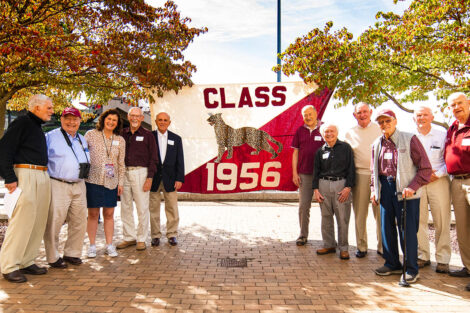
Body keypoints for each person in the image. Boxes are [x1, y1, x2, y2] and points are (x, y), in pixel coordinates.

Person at [371, 108, 431, 284]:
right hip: (385, 189)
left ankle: (411, 269)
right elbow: (374, 172)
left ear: (395, 121)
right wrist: (375, 190)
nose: (384, 125)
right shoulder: (376, 143)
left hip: (406, 192)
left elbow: (425, 168)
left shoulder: (410, 138)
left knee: (407, 232)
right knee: (386, 229)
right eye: (381, 122)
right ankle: (392, 263)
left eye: (387, 121)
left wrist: (412, 187)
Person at [0, 94, 54, 283]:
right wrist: (9, 176)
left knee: (38, 221)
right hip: (25, 174)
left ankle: (26, 261)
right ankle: (9, 266)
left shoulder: (37, 127)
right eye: (48, 107)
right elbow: (4, 149)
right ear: (36, 107)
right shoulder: (22, 122)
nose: (52, 111)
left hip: (41, 175)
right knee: (22, 221)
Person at [44, 107, 90, 268]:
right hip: (58, 184)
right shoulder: (50, 137)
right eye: (68, 118)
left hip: (79, 184)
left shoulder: (82, 139)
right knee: (54, 221)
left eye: (75, 119)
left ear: (80, 121)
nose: (71, 122)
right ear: (61, 119)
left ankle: (72, 253)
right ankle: (52, 256)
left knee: (79, 221)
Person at [413, 105, 451, 273]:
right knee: (419, 220)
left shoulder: (443, 136)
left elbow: (449, 159)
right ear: (414, 119)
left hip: (439, 181)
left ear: (432, 116)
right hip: (418, 183)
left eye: (425, 115)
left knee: (442, 220)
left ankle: (443, 259)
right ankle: (423, 256)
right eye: (418, 115)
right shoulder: (410, 137)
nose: (421, 118)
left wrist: (440, 174)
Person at [85, 109, 125, 258]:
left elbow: (121, 164)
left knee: (109, 214)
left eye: (114, 120)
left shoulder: (120, 140)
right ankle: (92, 246)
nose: (111, 122)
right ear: (103, 119)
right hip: (92, 180)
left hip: (111, 181)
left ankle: (109, 245)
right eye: (109, 119)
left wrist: (120, 182)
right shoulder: (90, 135)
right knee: (93, 214)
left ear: (117, 123)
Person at [345, 102, 383, 258]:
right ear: (355, 115)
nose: (362, 114)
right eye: (359, 112)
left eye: (365, 111)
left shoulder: (380, 129)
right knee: (360, 214)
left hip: (379, 175)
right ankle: (361, 247)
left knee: (380, 214)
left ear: (371, 112)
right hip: (360, 175)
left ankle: (383, 247)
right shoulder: (349, 133)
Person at [117, 107, 158, 251]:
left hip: (141, 173)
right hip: (124, 173)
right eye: (132, 116)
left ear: (142, 118)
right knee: (125, 207)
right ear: (128, 117)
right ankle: (129, 237)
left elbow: (154, 158)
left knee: (142, 207)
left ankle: (141, 239)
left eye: (138, 116)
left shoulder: (148, 135)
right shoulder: (122, 134)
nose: (135, 118)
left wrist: (150, 178)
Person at [313, 123, 355, 260]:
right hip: (323, 185)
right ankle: (329, 244)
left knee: (342, 218)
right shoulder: (320, 151)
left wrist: (348, 187)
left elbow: (351, 169)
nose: (329, 134)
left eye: (332, 131)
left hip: (340, 186)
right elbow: (316, 171)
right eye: (326, 132)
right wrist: (316, 190)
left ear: (337, 133)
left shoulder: (345, 148)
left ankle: (343, 248)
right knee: (326, 217)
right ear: (322, 134)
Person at [444, 92, 470, 291]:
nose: (456, 107)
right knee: (462, 228)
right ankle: (468, 266)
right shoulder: (452, 128)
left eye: (460, 103)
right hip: (456, 182)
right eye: (452, 105)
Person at [149, 112, 185, 246]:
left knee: (172, 208)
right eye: (160, 120)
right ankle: (155, 236)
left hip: (171, 179)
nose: (162, 122)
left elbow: (180, 160)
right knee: (153, 209)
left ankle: (172, 234)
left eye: (165, 120)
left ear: (169, 122)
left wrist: (179, 178)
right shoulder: (150, 136)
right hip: (154, 179)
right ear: (156, 121)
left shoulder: (176, 139)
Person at [291, 105, 324, 246]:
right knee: (304, 207)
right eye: (305, 115)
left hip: (323, 175)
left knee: (326, 208)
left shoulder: (324, 129)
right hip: (304, 175)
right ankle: (303, 235)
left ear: (316, 113)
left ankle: (328, 240)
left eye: (310, 114)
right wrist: (294, 173)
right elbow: (295, 153)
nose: (308, 117)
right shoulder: (300, 131)